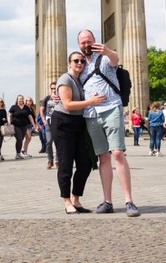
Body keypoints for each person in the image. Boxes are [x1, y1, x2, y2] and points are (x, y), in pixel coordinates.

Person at [77, 29, 140, 217]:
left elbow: (116, 59)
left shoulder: (104, 58)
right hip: (91, 114)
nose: (87, 45)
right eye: (83, 42)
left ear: (94, 40)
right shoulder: (80, 65)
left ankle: (129, 201)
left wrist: (107, 51)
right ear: (79, 45)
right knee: (103, 157)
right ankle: (107, 201)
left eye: (89, 41)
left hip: (112, 108)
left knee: (118, 153)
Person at [52, 51, 106, 214]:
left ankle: (76, 198)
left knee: (86, 162)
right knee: (66, 163)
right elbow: (67, 104)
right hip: (63, 122)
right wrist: (90, 102)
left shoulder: (81, 79)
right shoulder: (65, 79)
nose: (80, 63)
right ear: (69, 63)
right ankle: (66, 200)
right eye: (76, 60)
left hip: (79, 122)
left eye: (82, 60)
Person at [9, 94, 38, 159]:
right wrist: (9, 123)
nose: (20, 100)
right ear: (17, 100)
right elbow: (10, 115)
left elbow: (30, 116)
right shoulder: (14, 107)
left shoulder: (26, 107)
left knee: (21, 139)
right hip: (16, 125)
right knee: (19, 138)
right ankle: (18, 154)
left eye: (22, 99)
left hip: (24, 126)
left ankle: (19, 153)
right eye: (19, 99)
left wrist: (33, 124)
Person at [40, 84, 58, 167]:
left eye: (55, 88)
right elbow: (41, 109)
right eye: (52, 88)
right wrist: (43, 120)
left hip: (58, 122)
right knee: (49, 141)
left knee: (58, 142)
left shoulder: (60, 97)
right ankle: (50, 160)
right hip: (48, 122)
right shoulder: (47, 98)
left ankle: (58, 161)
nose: (53, 89)